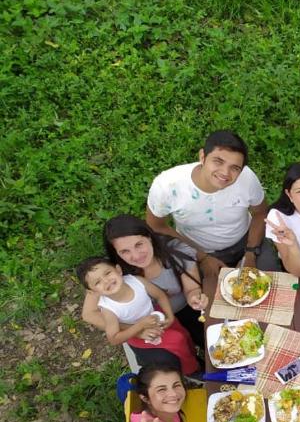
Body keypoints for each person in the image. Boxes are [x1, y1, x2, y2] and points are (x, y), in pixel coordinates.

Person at [146, 130, 268, 276]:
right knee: (207, 297)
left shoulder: (247, 178)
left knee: (272, 289)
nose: (225, 173)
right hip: (195, 249)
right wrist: (201, 257)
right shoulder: (167, 186)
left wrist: (251, 253)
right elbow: (156, 226)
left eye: (235, 168)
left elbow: (260, 212)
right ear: (202, 156)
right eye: (218, 161)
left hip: (247, 240)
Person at [83, 215, 208, 350]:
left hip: (186, 310)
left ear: (149, 236)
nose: (136, 256)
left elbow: (191, 289)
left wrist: (195, 296)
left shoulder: (175, 250)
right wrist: (136, 330)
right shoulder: (110, 273)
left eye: (139, 244)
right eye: (125, 251)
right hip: (147, 324)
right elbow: (89, 314)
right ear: (116, 252)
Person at [76, 257, 199, 374]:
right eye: (97, 282)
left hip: (155, 316)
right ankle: (192, 370)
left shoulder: (136, 280)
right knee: (177, 341)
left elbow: (159, 295)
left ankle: (194, 354)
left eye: (107, 273)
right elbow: (114, 338)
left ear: (118, 270)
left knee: (183, 334)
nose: (106, 281)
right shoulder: (109, 309)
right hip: (138, 333)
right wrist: (140, 326)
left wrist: (170, 315)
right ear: (92, 292)